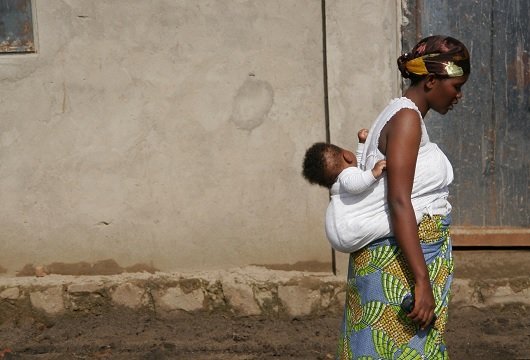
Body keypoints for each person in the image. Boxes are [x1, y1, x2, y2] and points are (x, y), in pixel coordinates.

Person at [336, 35, 470, 359]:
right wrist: (421, 280)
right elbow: (398, 200)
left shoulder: (396, 114)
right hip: (399, 263)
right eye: (455, 86)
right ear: (432, 80)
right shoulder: (407, 119)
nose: (459, 96)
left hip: (394, 258)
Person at [302, 129, 389, 252]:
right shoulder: (347, 178)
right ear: (347, 156)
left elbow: (358, 169)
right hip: (349, 231)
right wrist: (373, 173)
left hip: (340, 233)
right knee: (389, 224)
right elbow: (354, 184)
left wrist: (362, 143)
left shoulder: (344, 180)